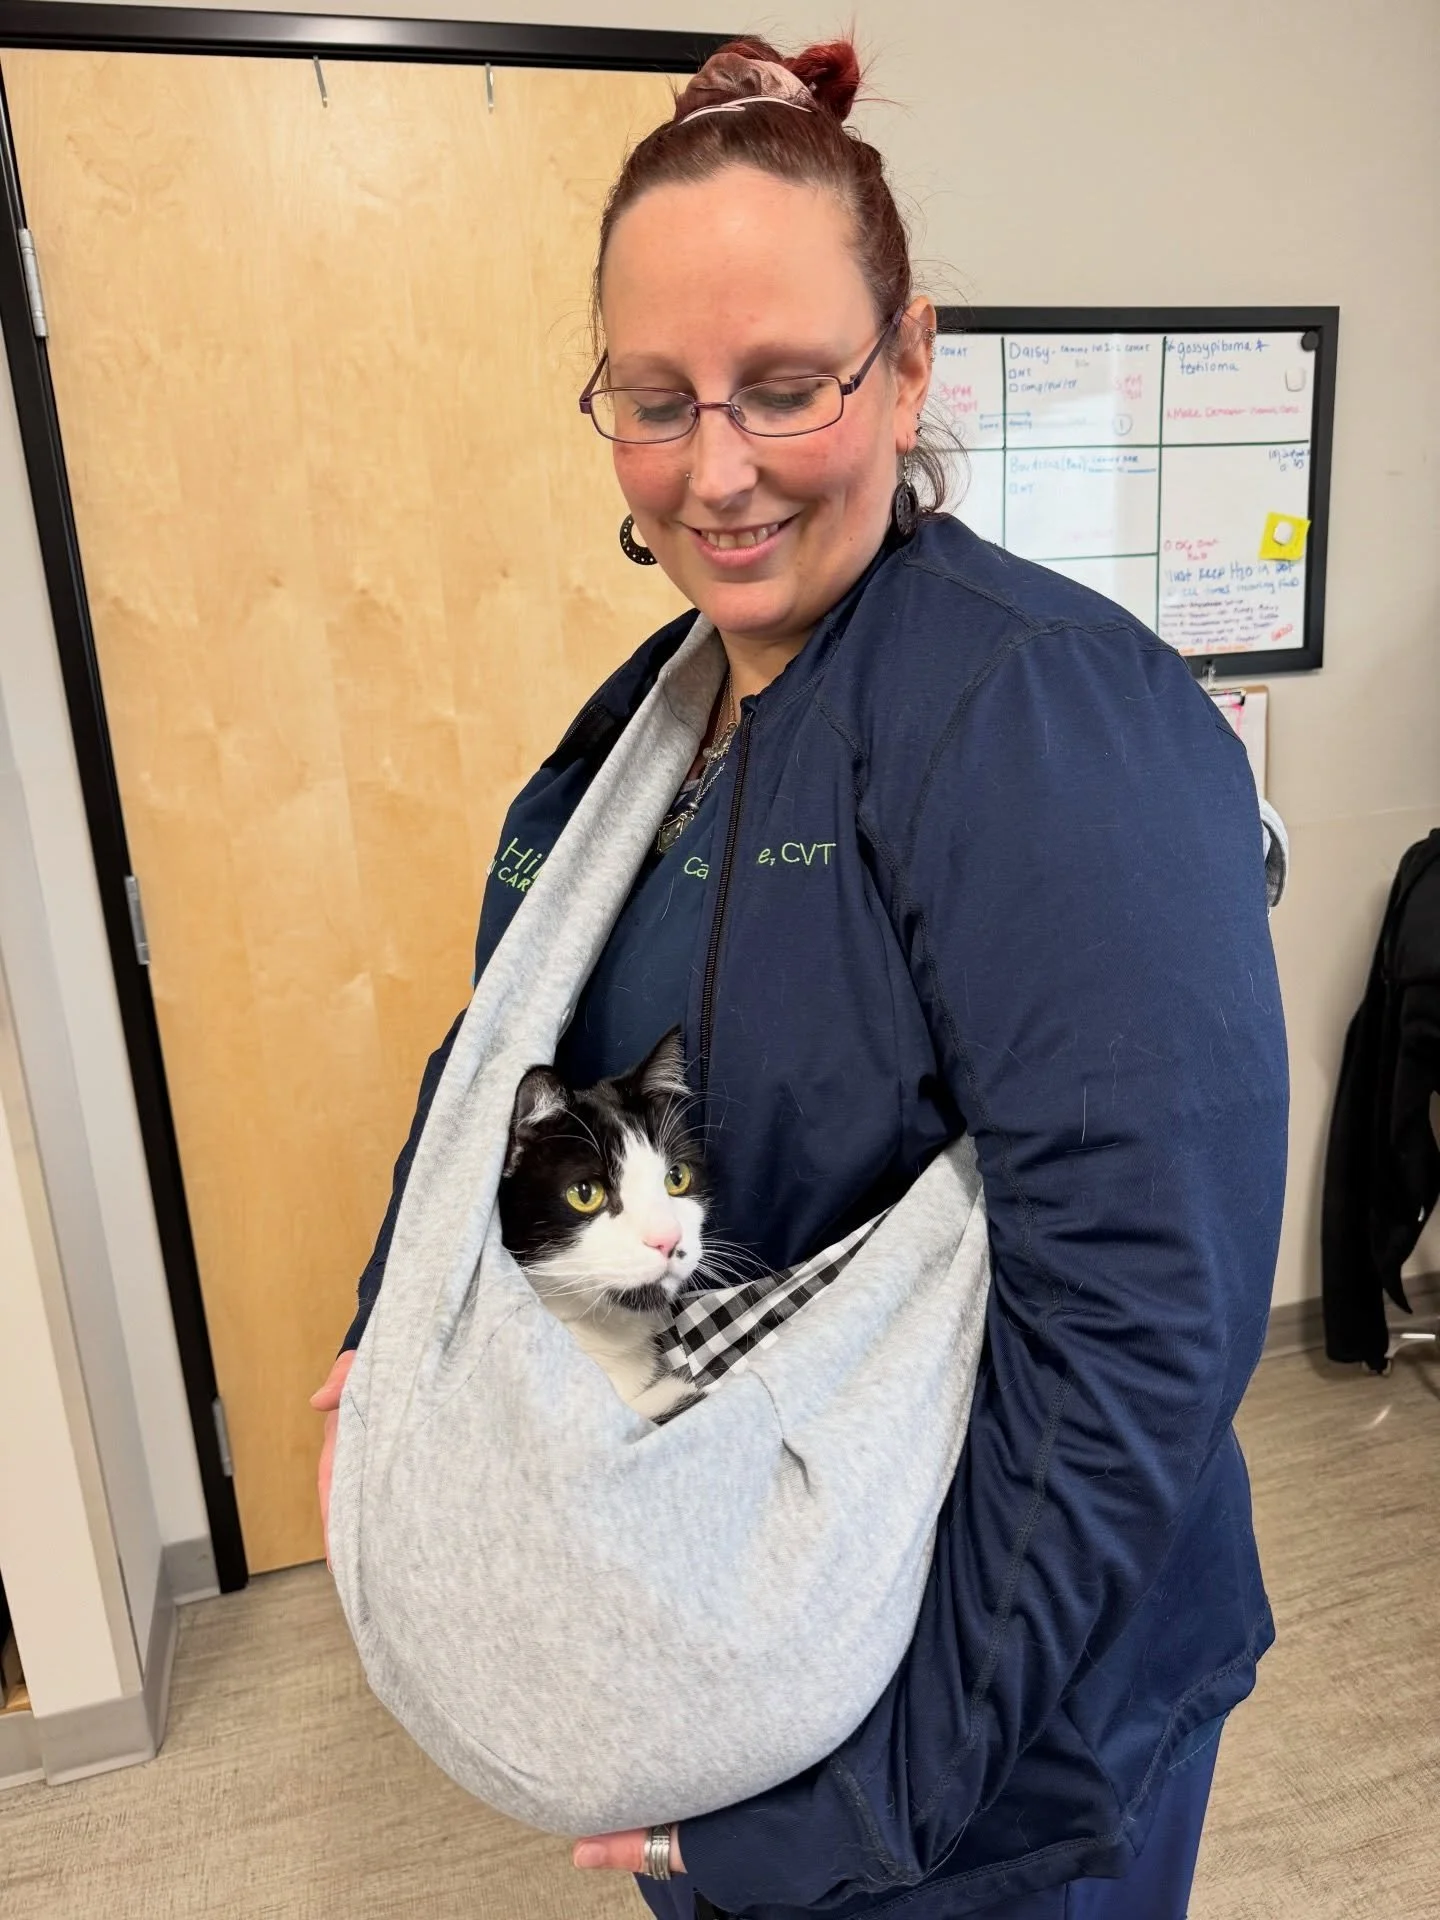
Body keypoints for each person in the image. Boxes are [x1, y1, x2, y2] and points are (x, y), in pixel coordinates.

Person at [312, 37, 1288, 1920]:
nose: (719, 470)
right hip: (738, 1670)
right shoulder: (650, 732)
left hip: (989, 1765)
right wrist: (388, 1323)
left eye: (785, 389)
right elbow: (505, 1063)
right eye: (656, 402)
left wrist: (861, 1809)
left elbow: (1137, 1335)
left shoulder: (1037, 726)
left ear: (911, 360)